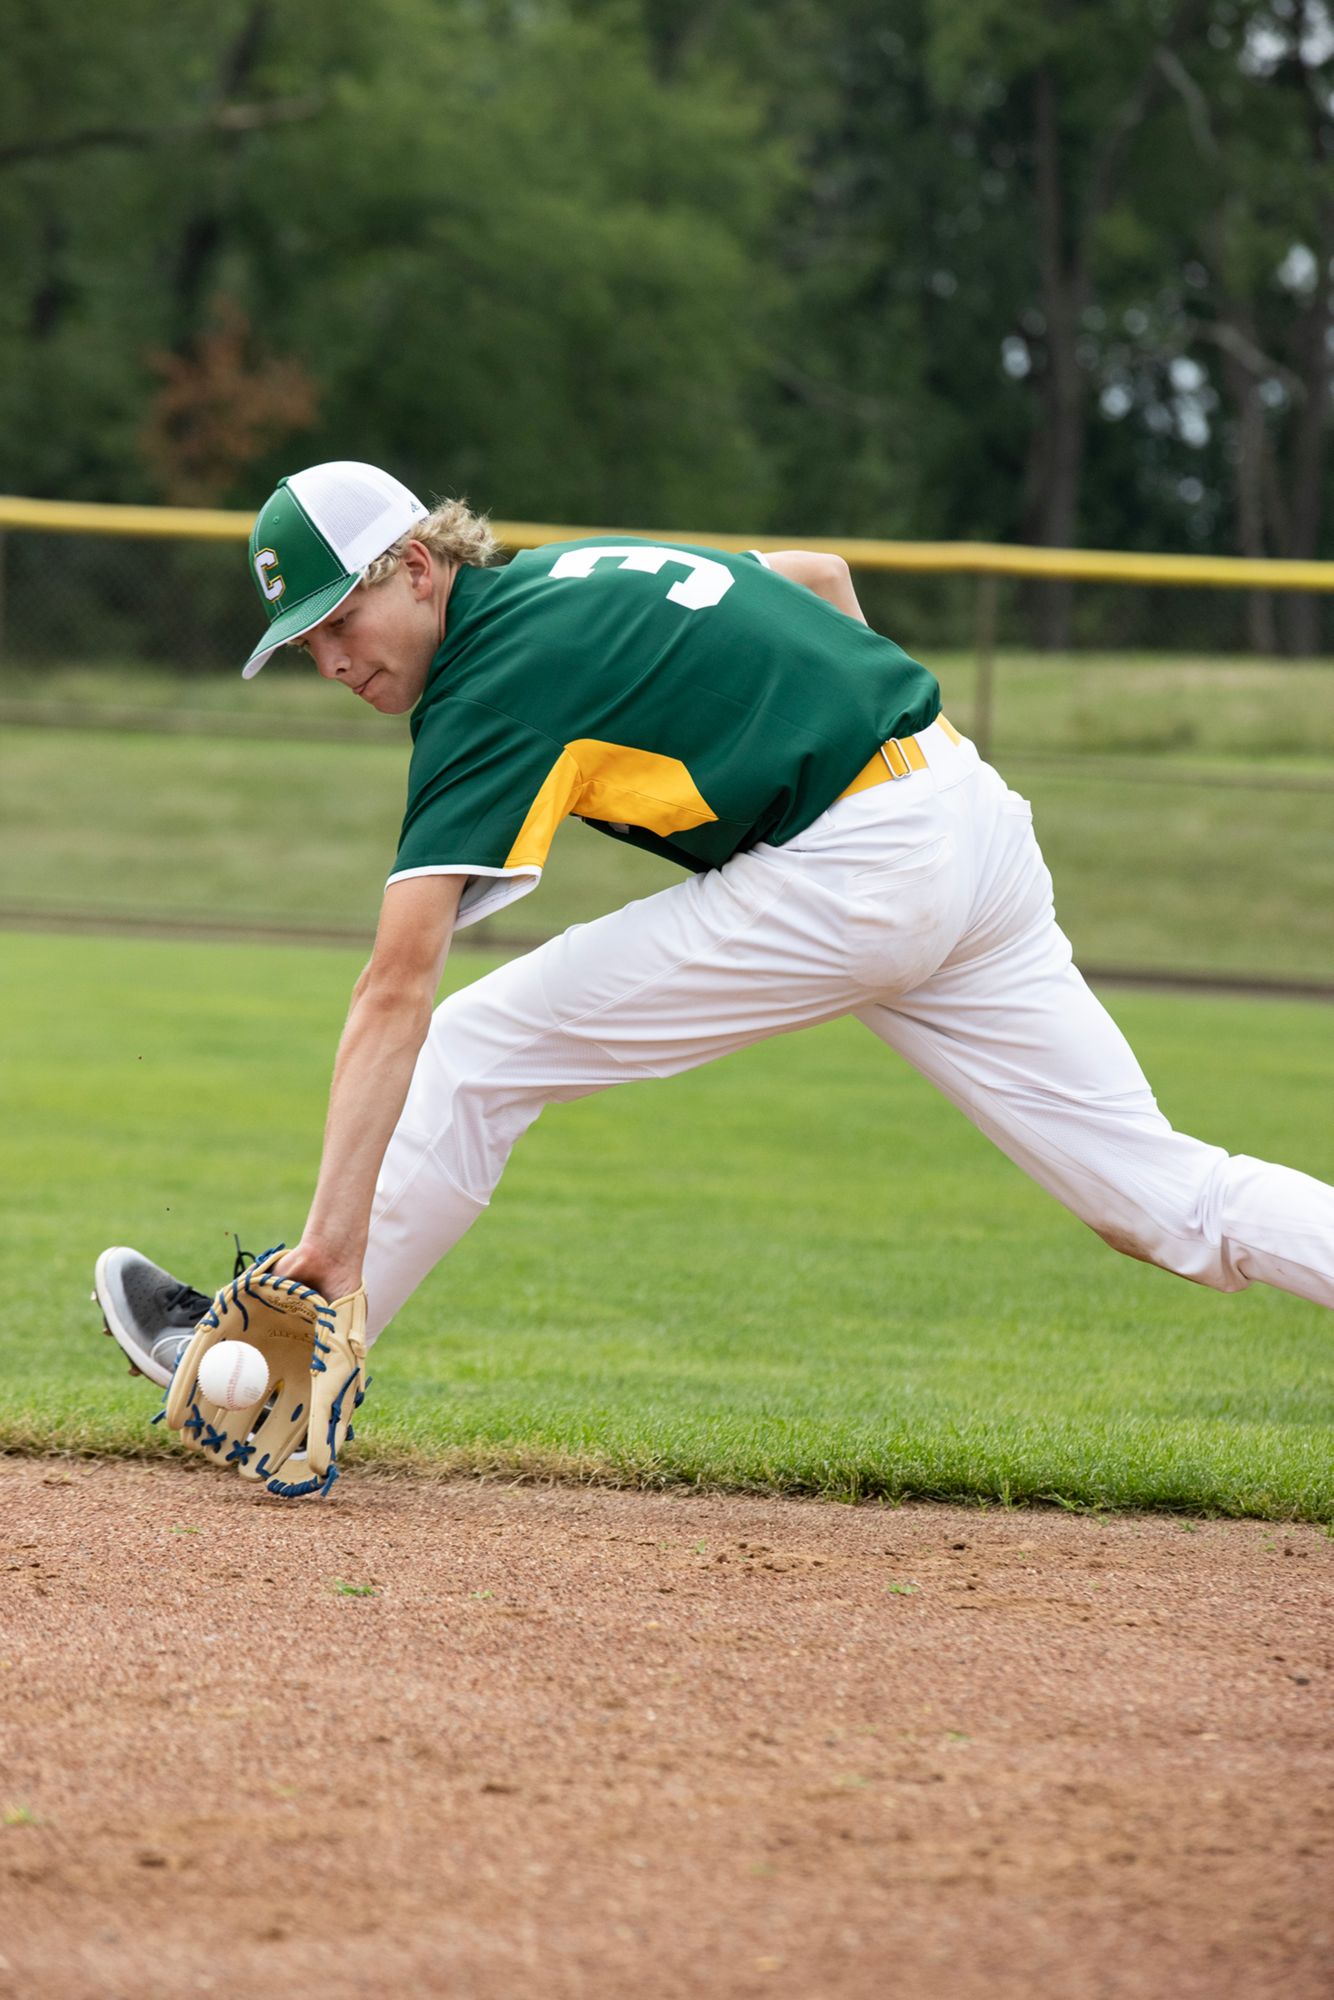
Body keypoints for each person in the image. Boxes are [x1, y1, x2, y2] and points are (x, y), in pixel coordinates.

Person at [95, 458, 1334, 1412]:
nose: (326, 658)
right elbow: (817, 576)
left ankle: (286, 1360)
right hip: (963, 812)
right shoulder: (582, 571)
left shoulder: (486, 683)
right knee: (1161, 1196)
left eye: (336, 619)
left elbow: (393, 989)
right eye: (302, 642)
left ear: (417, 566)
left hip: (862, 870)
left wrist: (328, 1235)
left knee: (469, 1046)